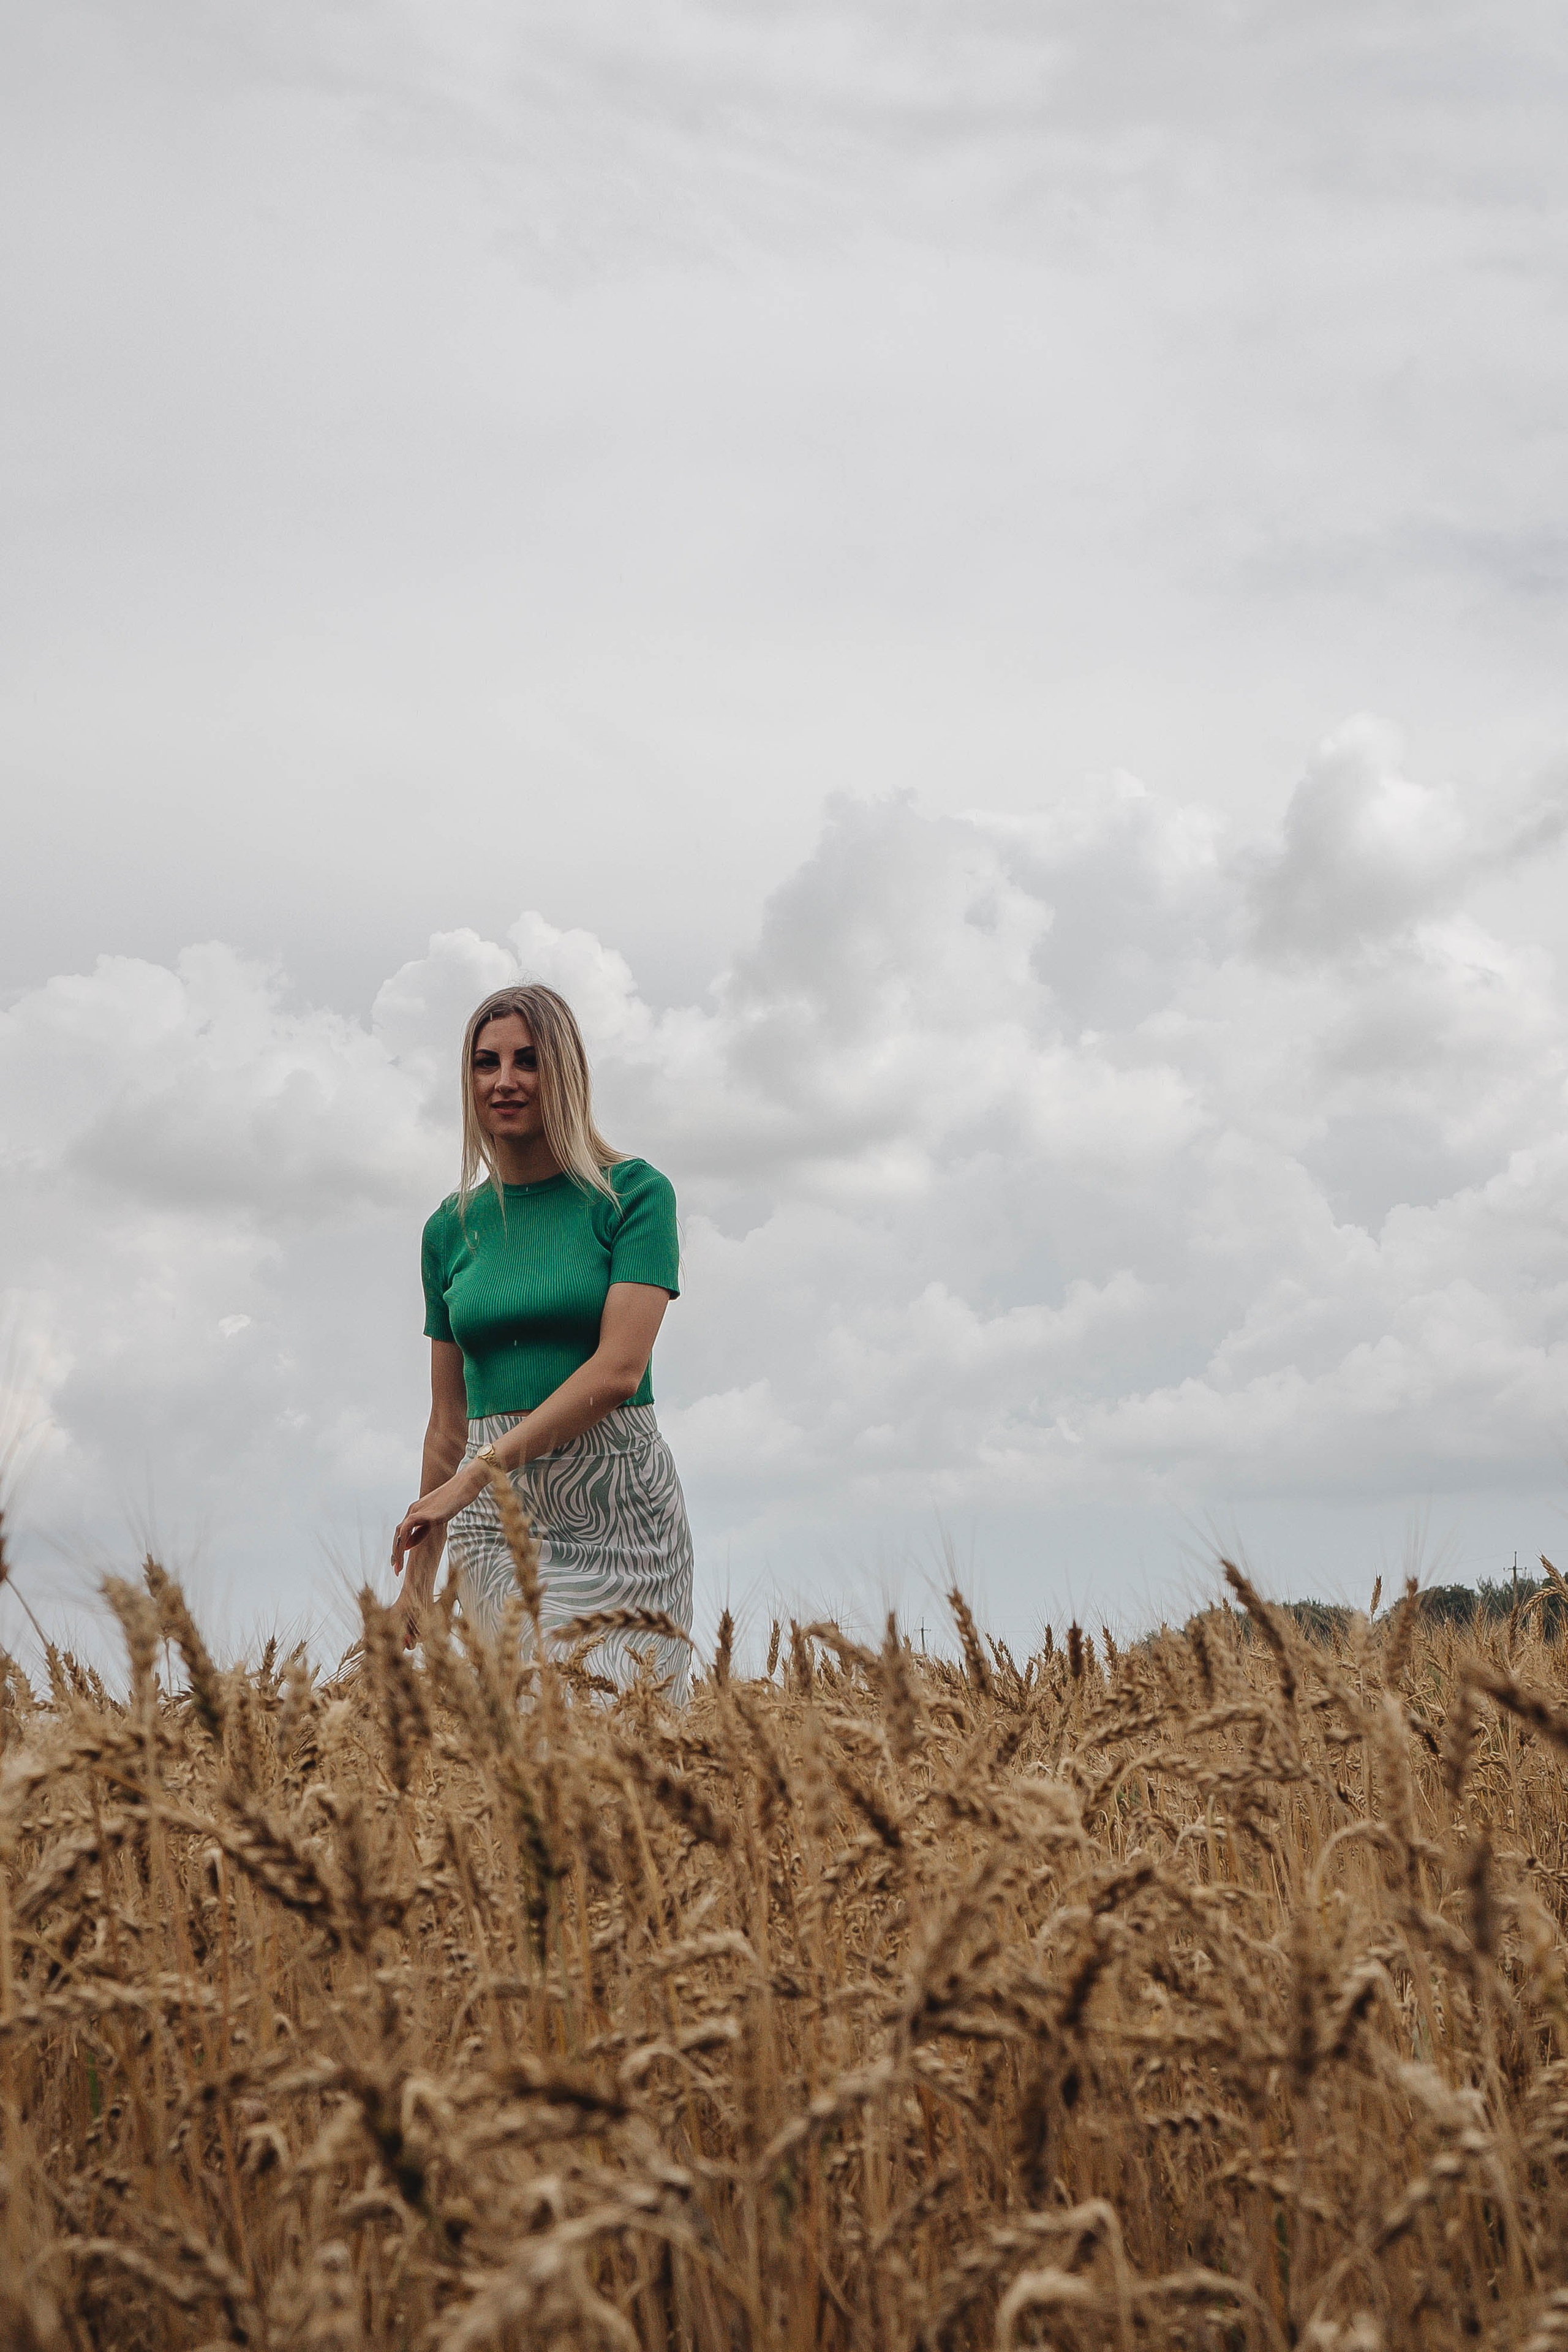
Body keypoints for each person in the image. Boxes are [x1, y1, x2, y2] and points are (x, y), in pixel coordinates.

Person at [390, 983, 693, 1699]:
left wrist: (468, 1479)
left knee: (634, 1740)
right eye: (484, 1063)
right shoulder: (448, 1231)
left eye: (527, 1061)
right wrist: (419, 1580)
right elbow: (447, 1423)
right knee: (543, 1732)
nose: (504, 1081)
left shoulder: (634, 1196)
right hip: (499, 1526)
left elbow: (619, 1371)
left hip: (623, 1510)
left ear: (564, 1074)